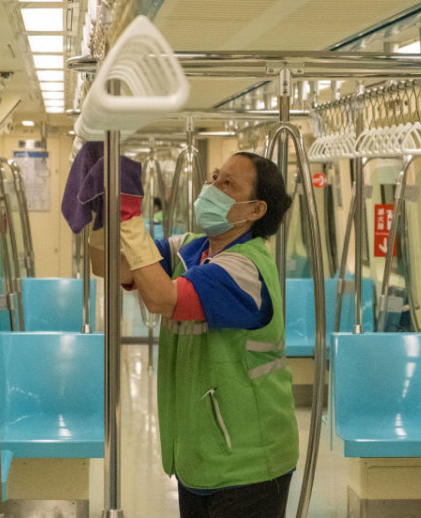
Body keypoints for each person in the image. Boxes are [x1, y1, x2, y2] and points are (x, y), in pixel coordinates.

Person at [89, 151, 297, 518]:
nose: (213, 187)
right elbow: (112, 266)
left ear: (255, 210)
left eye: (228, 184)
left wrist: (129, 217)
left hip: (248, 461)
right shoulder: (192, 248)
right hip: (201, 454)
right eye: (215, 177)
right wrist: (100, 216)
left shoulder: (245, 267)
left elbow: (161, 298)